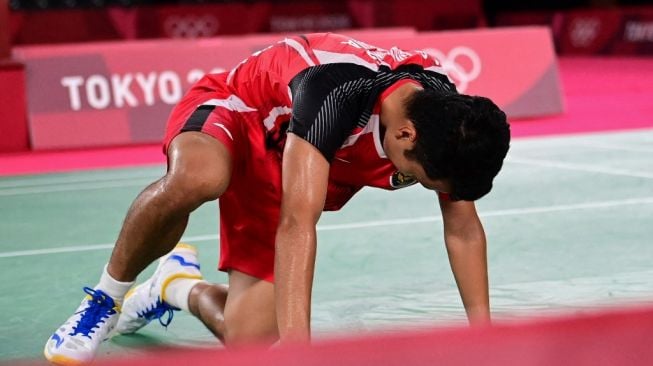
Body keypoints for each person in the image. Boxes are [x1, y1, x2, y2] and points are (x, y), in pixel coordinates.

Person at [44, 33, 510, 365]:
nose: (426, 187)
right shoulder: (336, 95)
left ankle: (175, 286)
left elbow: (463, 228)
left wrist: (483, 338)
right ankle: (103, 302)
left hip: (289, 163)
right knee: (199, 178)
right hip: (237, 111)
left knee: (245, 337)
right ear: (404, 135)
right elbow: (297, 225)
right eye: (421, 180)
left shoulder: (447, 119)